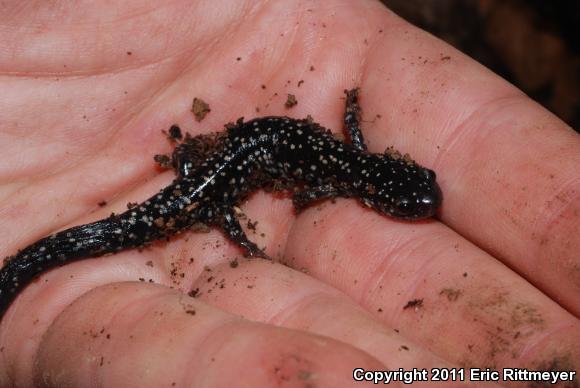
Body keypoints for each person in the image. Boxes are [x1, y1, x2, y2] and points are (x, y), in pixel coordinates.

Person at [0, 1, 578, 386]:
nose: (422, 201)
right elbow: (305, 192)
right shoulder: (346, 175)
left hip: (225, 164)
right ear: (379, 193)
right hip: (214, 185)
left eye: (417, 196)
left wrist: (347, 111)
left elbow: (340, 146)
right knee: (184, 209)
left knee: (165, 209)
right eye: (409, 200)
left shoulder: (355, 163)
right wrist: (245, 229)